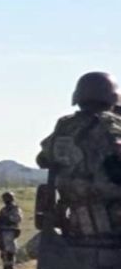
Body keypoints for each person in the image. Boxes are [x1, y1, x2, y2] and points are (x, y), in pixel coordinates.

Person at [36, 71, 121, 238]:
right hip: (114, 221)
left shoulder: (64, 126)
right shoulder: (113, 125)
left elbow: (42, 159)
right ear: (112, 98)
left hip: (75, 222)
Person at [0, 191, 22, 269]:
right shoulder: (3, 209)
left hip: (10, 231)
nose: (6, 200)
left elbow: (17, 219)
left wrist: (8, 218)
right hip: (3, 232)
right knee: (3, 252)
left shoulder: (15, 209)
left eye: (7, 198)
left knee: (9, 252)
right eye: (5, 198)